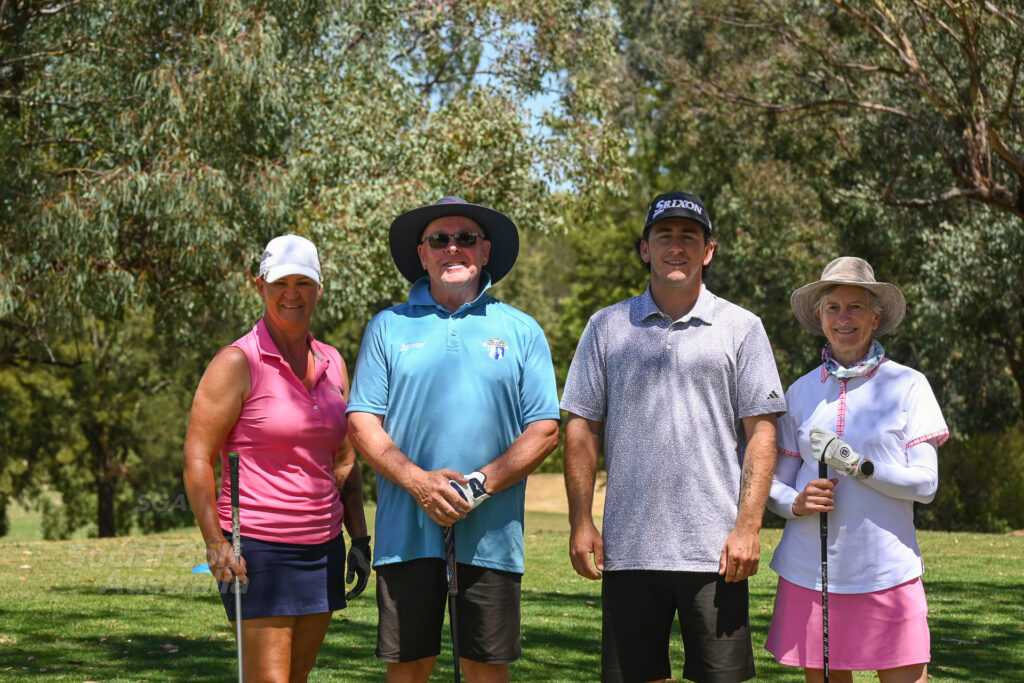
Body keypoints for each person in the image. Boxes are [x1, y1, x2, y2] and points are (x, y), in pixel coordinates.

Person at [561, 191, 787, 683]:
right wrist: (581, 521)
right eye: (664, 236)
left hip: (716, 550)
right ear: (646, 249)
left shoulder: (742, 327)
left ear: (709, 251)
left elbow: (762, 433)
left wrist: (748, 528)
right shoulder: (606, 326)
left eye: (690, 236)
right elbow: (581, 426)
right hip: (629, 548)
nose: (676, 246)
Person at [346, 196, 560, 683]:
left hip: (492, 539)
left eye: (465, 238)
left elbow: (545, 430)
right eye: (439, 239)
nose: (452, 248)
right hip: (406, 538)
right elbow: (361, 424)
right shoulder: (387, 328)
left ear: (485, 250)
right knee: (408, 669)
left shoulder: (521, 330)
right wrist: (419, 482)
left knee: (486, 669)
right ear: (422, 254)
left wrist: (476, 487)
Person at [183, 234, 370, 682]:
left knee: (298, 674)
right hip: (257, 549)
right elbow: (197, 457)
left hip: (324, 547)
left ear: (319, 289)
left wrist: (360, 539)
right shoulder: (237, 361)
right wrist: (214, 542)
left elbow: (344, 461)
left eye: (302, 283)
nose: (291, 294)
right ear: (260, 286)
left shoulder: (333, 362)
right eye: (280, 283)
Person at [764, 257, 948, 683]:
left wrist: (859, 466)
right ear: (820, 317)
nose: (843, 318)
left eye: (855, 307)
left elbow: (926, 484)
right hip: (811, 574)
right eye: (833, 307)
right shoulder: (801, 391)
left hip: (888, 573)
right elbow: (775, 484)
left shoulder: (909, 385)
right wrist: (797, 502)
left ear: (875, 318)